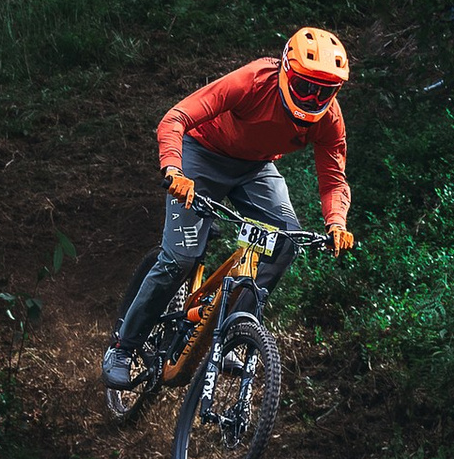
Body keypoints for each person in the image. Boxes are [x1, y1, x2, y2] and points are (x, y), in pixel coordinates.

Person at [102, 26, 354, 390]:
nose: (313, 98)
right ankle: (122, 348)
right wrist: (173, 168)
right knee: (180, 259)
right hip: (201, 155)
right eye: (304, 87)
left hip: (255, 168)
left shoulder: (330, 120)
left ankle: (232, 332)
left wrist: (336, 223)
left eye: (324, 91)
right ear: (286, 72)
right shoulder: (254, 80)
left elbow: (333, 177)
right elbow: (176, 118)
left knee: (286, 242)